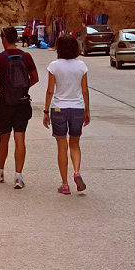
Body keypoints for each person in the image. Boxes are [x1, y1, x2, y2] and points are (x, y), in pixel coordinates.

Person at [0, 26, 39, 189]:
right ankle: (18, 176)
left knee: (3, 138)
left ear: (4, 39)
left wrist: (5, 91)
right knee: (20, 138)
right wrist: (21, 89)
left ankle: (0, 172)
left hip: (4, 104)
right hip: (22, 103)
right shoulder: (26, 56)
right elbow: (35, 78)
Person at [42, 33, 90, 195]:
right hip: (77, 108)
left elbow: (50, 91)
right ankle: (76, 172)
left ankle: (64, 184)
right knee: (75, 144)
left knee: (62, 147)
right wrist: (87, 110)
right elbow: (85, 90)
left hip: (59, 109)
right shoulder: (81, 66)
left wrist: (46, 111)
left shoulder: (54, 66)